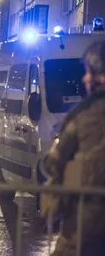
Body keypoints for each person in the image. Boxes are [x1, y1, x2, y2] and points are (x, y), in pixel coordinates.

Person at [42, 40, 105, 256]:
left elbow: (53, 162)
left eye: (89, 72)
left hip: (88, 222)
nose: (85, 78)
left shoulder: (84, 115)